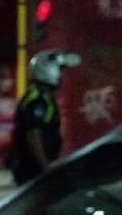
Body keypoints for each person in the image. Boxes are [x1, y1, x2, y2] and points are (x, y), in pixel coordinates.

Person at [11, 49, 81, 185]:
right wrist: (46, 167)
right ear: (46, 70)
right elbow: (33, 135)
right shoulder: (38, 99)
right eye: (59, 70)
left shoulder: (42, 95)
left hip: (34, 167)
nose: (61, 75)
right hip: (33, 170)